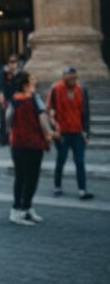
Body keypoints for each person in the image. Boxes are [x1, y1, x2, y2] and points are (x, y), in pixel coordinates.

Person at [7, 71, 57, 226]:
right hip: (33, 144)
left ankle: (21, 209)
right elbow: (43, 120)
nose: (35, 82)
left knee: (20, 177)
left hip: (18, 144)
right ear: (25, 85)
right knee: (31, 178)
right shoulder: (34, 100)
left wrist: (15, 132)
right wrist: (49, 135)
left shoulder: (14, 100)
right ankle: (22, 210)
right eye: (32, 80)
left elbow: (8, 119)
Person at [47, 68, 93, 200]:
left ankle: (82, 190)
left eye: (75, 77)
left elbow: (86, 113)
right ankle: (57, 186)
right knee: (61, 159)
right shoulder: (56, 89)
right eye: (70, 77)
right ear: (64, 77)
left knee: (80, 161)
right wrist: (54, 130)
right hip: (62, 133)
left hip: (78, 132)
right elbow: (50, 110)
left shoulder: (81, 90)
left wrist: (87, 132)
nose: (73, 79)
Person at [0, 54, 21, 145]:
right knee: (3, 120)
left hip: (15, 100)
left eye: (14, 62)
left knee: (14, 120)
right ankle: (3, 138)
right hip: (5, 100)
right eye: (11, 62)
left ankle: (12, 137)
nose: (12, 64)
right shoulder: (3, 73)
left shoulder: (19, 74)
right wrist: (1, 95)